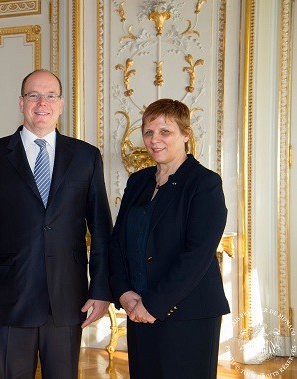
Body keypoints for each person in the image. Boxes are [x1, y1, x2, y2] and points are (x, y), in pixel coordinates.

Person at [0, 69, 113, 379]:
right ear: (21, 102)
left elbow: (101, 229)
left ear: (61, 104)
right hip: (9, 298)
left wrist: (101, 290)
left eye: (50, 96)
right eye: (33, 95)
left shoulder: (86, 157)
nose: (41, 103)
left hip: (68, 299)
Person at [109, 98, 230, 379]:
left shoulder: (205, 183)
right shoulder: (137, 181)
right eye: (149, 132)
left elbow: (197, 254)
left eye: (165, 132)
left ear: (186, 134)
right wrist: (124, 294)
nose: (155, 140)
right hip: (138, 309)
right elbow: (117, 242)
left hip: (188, 314)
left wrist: (154, 305)